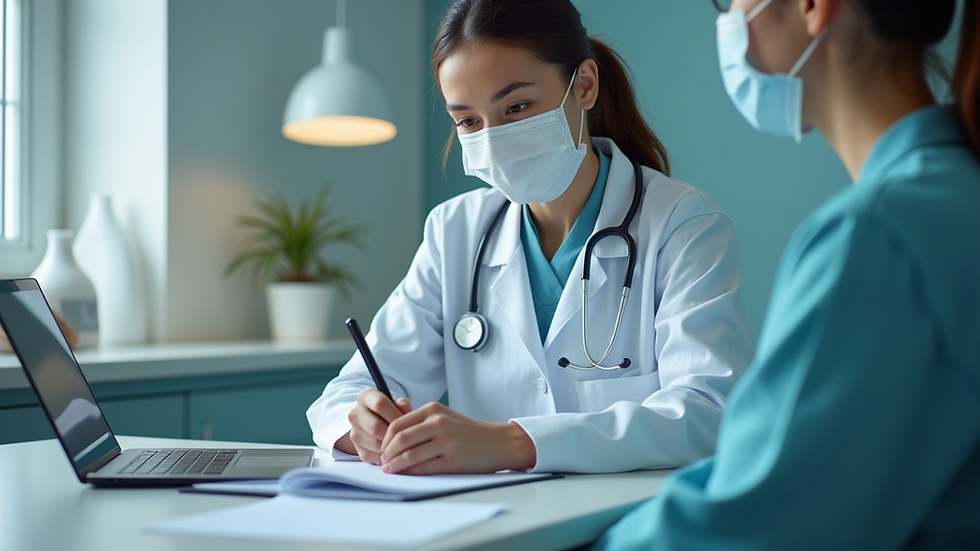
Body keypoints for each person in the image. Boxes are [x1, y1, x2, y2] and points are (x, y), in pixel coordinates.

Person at [307, 0, 756, 475]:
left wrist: (514, 442)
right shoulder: (454, 231)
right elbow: (347, 392)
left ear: (583, 85)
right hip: (491, 521)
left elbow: (708, 411)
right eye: (468, 121)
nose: (494, 138)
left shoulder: (682, 223)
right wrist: (361, 422)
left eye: (517, 106)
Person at [593, 0, 980, 548]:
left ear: (812, 8)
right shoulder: (949, 195)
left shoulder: (879, 236)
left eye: (730, 3)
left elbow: (759, 525)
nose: (727, 21)